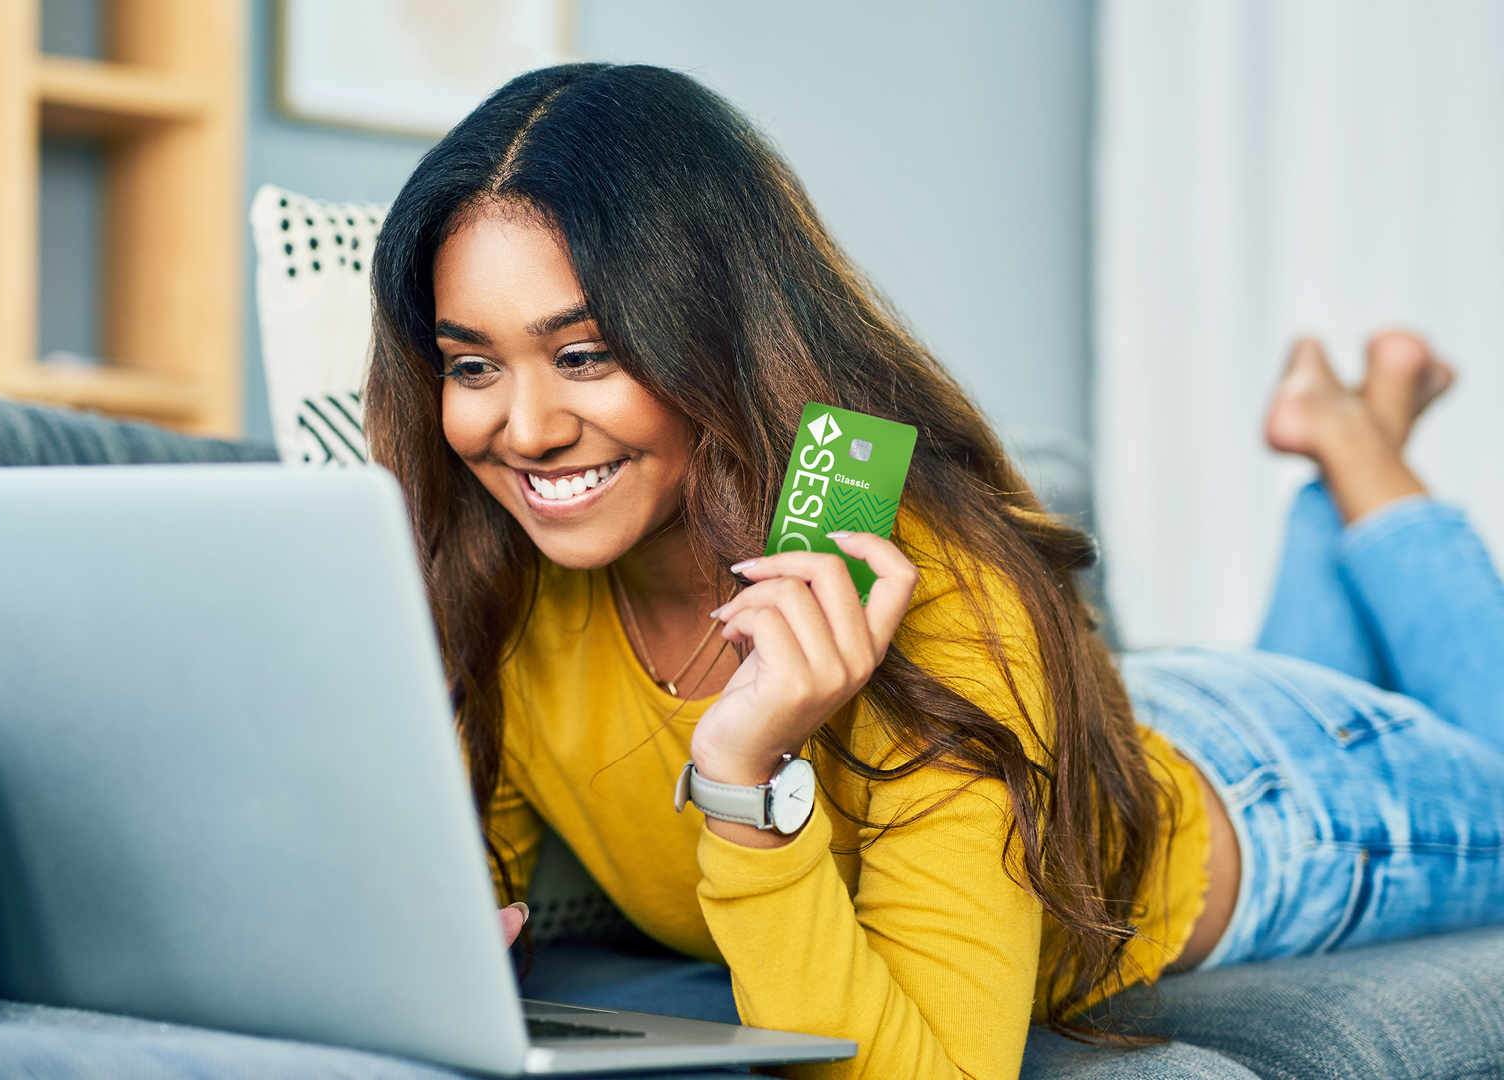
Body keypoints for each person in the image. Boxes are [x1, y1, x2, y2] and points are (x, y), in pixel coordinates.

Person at [362, 63, 1504, 1080]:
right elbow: (464, 891)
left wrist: (750, 781)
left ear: (715, 331)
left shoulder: (938, 592)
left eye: (583, 355)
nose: (524, 428)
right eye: (472, 364)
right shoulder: (495, 584)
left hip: (1284, 804)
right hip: (1119, 722)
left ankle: (1360, 452)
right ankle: (1351, 450)